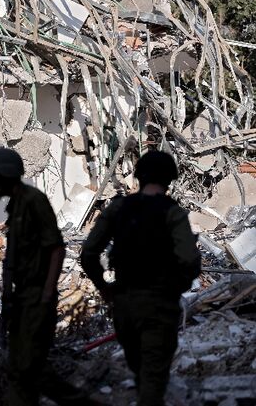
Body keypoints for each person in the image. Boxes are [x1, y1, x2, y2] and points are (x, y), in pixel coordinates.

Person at [81, 151, 200, 406]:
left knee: (140, 371)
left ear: (139, 177)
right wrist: (175, 289)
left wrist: (104, 288)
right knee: (153, 379)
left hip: (124, 304)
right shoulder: (173, 213)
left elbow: (89, 253)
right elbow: (190, 260)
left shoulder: (118, 208)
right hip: (159, 306)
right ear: (170, 180)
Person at [0, 148, 93, 406]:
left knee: (31, 366)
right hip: (22, 298)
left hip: (36, 297)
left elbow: (56, 248)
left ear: (4, 175)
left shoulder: (34, 201)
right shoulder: (16, 205)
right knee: (20, 366)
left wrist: (46, 294)